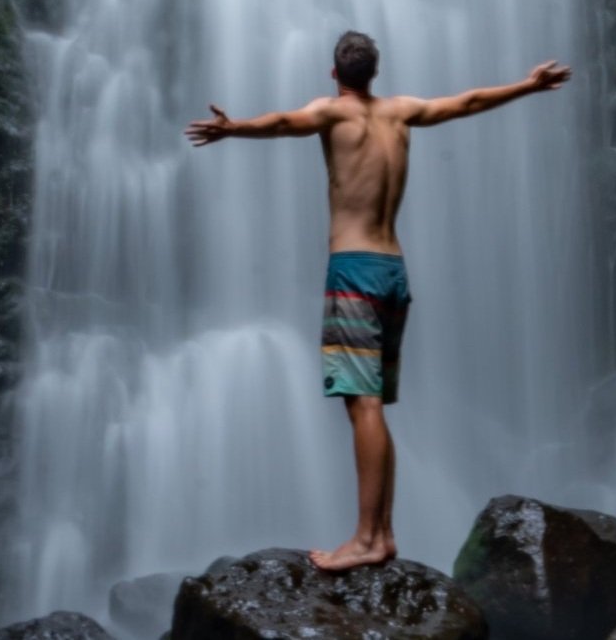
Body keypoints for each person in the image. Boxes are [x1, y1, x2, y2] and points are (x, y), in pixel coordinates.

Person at [184, 29, 571, 571]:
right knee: (373, 409)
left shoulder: (331, 113)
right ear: (376, 72)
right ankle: (383, 533)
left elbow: (279, 124)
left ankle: (366, 538)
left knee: (362, 406)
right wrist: (528, 86)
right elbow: (469, 102)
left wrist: (232, 128)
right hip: (393, 271)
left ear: (333, 73)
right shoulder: (400, 112)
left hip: (355, 272)